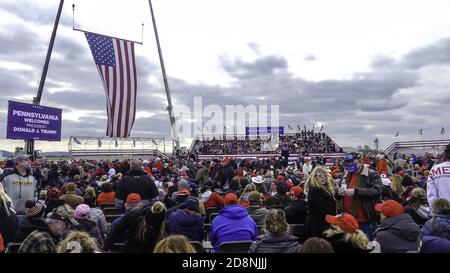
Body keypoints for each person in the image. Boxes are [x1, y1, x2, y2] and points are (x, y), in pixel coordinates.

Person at [338, 153, 382, 240]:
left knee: (366, 245)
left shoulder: (372, 174)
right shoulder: (346, 174)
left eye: (352, 161)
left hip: (365, 220)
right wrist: (339, 192)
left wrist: (356, 192)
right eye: (348, 162)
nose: (350, 163)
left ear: (360, 161)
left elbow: (377, 190)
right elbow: (342, 188)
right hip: (348, 219)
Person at [304, 166, 337, 238]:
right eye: (320, 176)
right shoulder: (315, 189)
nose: (323, 177)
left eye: (325, 175)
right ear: (315, 177)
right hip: (318, 223)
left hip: (325, 221)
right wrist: (334, 218)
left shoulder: (325, 188)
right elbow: (322, 208)